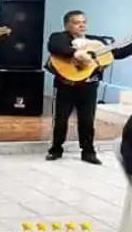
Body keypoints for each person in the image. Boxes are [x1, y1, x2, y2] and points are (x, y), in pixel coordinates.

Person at [47, 10, 132, 164]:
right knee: (60, 120)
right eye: (76, 22)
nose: (81, 25)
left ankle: (88, 152)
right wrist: (77, 54)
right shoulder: (59, 37)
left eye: (84, 22)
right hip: (66, 86)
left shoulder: (96, 42)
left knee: (87, 120)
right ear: (67, 25)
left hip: (89, 87)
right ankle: (55, 149)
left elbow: (116, 53)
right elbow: (55, 47)